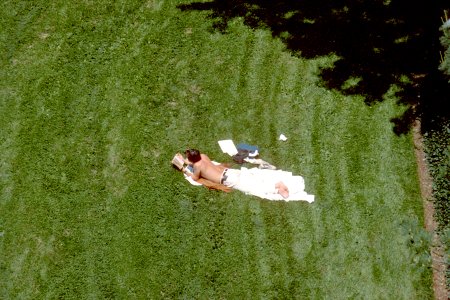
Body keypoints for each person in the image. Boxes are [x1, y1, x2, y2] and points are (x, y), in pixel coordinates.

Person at [177, 149, 290, 199]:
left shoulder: (197, 166)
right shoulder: (203, 156)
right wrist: (184, 160)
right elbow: (194, 162)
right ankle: (275, 184)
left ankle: (276, 188)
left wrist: (184, 169)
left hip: (228, 179)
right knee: (253, 179)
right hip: (229, 172)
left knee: (252, 189)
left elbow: (195, 177)